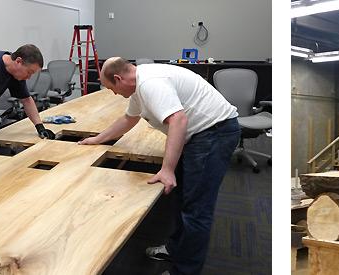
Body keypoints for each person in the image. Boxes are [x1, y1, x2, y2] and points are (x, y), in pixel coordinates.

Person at [78, 57, 240, 275]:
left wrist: (167, 169)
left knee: (196, 209)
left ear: (118, 78)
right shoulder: (138, 87)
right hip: (200, 135)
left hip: (214, 133)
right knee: (183, 198)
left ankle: (184, 271)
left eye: (111, 88)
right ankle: (176, 249)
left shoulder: (150, 83)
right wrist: (97, 139)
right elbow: (129, 120)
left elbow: (178, 120)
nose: (114, 94)